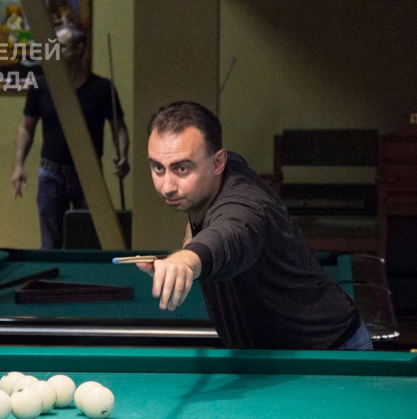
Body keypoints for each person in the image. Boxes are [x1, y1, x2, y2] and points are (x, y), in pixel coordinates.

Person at [137, 101, 372, 350]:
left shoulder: (246, 207)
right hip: (279, 354)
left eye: (182, 168)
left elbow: (230, 234)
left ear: (218, 162)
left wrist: (186, 260)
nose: (167, 186)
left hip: (331, 354)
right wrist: (190, 242)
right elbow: (207, 220)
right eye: (158, 167)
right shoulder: (225, 171)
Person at [11, 26, 130, 249]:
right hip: (51, 174)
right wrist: (18, 165)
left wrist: (123, 156)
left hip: (89, 173)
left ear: (79, 48)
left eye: (61, 47)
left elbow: (119, 128)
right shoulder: (41, 85)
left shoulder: (102, 88)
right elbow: (26, 128)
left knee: (88, 242)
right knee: (51, 244)